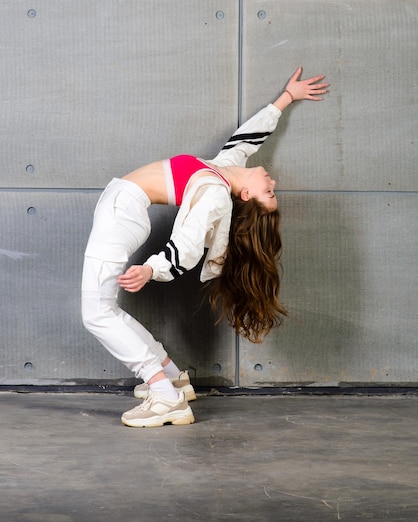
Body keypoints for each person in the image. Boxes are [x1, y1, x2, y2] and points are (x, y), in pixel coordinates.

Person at [81, 67, 328, 428]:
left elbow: (188, 245)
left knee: (96, 312)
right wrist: (286, 98)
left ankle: (165, 396)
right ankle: (172, 376)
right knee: (102, 310)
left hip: (122, 213)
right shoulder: (223, 170)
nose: (272, 180)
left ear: (247, 196)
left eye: (269, 192)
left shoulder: (215, 194)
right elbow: (248, 138)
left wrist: (152, 269)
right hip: (122, 208)